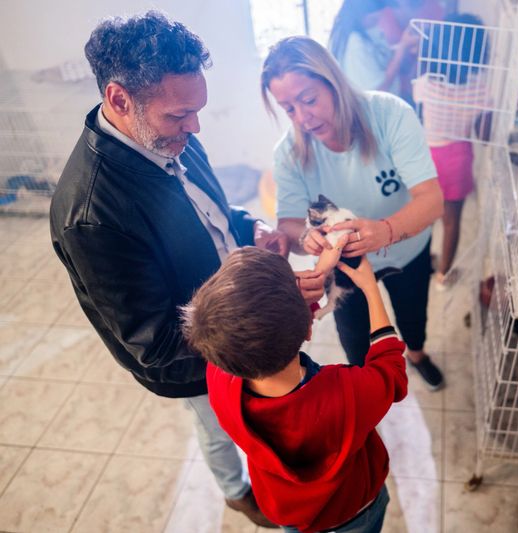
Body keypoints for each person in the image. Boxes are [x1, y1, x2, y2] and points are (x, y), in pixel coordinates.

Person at [48, 12, 325, 527]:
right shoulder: (91, 216)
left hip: (234, 326)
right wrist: (264, 312)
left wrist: (252, 229)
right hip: (195, 361)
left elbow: (211, 211)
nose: (195, 127)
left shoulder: (170, 136)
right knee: (218, 426)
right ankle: (235, 491)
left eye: (196, 111)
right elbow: (153, 343)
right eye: (180, 115)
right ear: (119, 100)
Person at [263, 36, 446, 390]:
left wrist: (387, 230)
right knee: (356, 343)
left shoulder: (390, 114)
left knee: (412, 314)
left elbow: (432, 200)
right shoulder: (288, 153)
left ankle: (417, 353)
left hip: (407, 247)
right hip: (345, 266)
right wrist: (305, 237)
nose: (302, 118)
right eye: (288, 109)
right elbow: (288, 225)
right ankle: (367, 388)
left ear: (333, 82)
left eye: (309, 100)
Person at [181, 246, 407, 532]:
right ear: (310, 330)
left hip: (288, 512)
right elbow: (391, 372)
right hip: (353, 511)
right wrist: (371, 289)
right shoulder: (346, 393)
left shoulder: (219, 374)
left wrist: (311, 280)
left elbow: (257, 326)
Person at [412, 13, 490, 289]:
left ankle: (420, 265)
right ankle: (444, 275)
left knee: (422, 217)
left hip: (427, 157)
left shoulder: (425, 84)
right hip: (458, 159)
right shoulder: (481, 89)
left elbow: (417, 114)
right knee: (451, 221)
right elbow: (484, 136)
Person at [328, 0, 419, 102]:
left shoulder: (363, 30)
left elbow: (376, 57)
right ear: (361, 13)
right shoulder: (354, 43)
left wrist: (402, 48)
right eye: (374, 19)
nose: (378, 20)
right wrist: (402, 47)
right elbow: (380, 88)